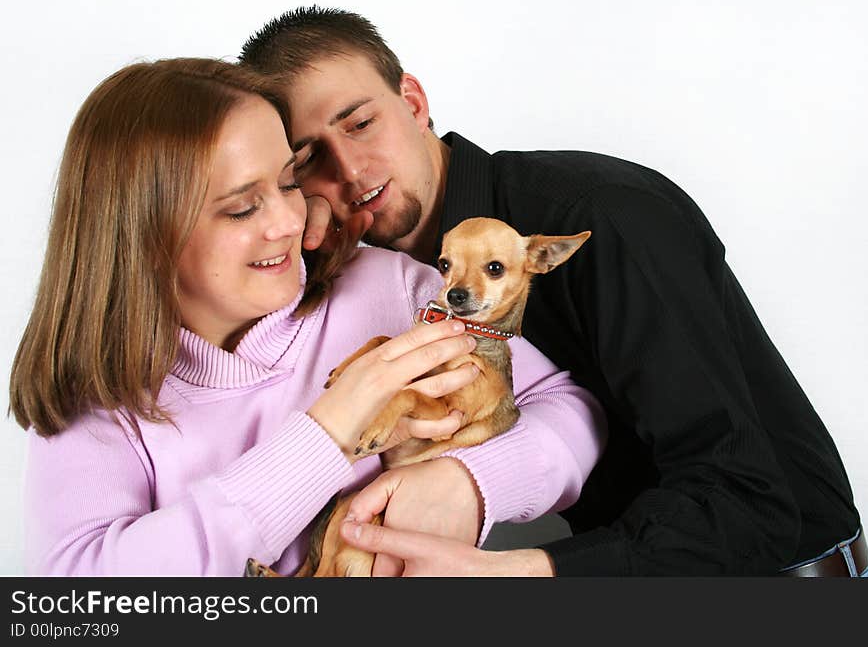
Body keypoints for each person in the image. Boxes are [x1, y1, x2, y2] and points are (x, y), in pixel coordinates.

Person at [237, 6, 868, 576]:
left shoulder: (604, 216)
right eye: (310, 158)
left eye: (361, 123)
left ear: (413, 101)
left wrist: (523, 576)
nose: (349, 171)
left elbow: (748, 499)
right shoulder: (387, 276)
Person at [8, 58, 604, 576]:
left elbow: (566, 406)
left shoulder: (388, 286)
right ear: (143, 237)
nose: (293, 222)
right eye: (243, 208)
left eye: (290, 182)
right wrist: (328, 433)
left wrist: (472, 484)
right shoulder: (96, 395)